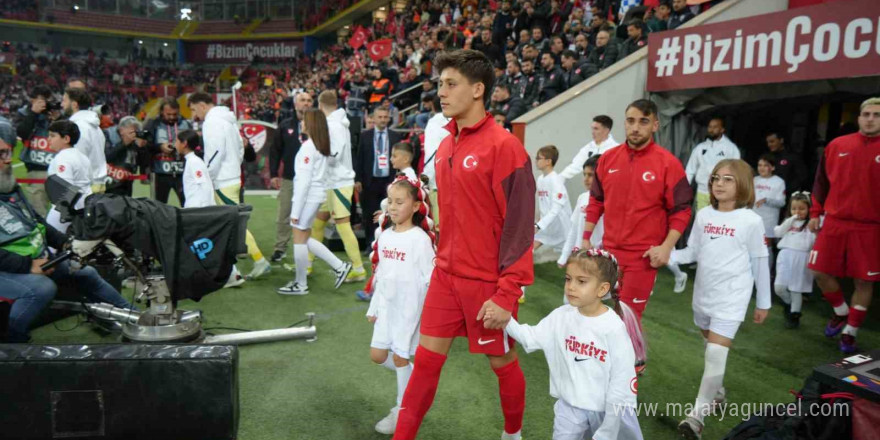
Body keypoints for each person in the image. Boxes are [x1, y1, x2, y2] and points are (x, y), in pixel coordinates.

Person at [393, 49, 535, 440]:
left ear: (478, 90)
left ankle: (513, 434)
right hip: (446, 275)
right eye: (440, 83)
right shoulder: (445, 144)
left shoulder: (505, 147)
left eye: (451, 84)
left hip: (487, 283)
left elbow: (521, 228)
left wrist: (508, 293)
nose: (442, 91)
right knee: (424, 363)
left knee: (502, 363)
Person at [581, 99, 692, 373]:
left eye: (643, 121)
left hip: (643, 257)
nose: (635, 127)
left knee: (628, 314)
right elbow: (596, 201)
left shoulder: (668, 164)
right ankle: (624, 363)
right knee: (609, 311)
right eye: (630, 121)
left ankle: (629, 371)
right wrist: (586, 238)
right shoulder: (608, 159)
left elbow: (681, 210)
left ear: (655, 124)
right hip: (610, 253)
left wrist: (666, 247)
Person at [0, 120, 133, 343]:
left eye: (9, 152)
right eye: (2, 153)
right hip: (9, 267)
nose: (7, 159)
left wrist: (65, 244)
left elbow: (38, 223)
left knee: (85, 271)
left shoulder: (11, 188)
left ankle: (132, 315)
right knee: (40, 289)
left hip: (31, 259)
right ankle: (11, 342)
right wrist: (28, 266)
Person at [670, 159, 770, 440]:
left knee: (715, 353)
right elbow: (691, 253)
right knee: (709, 347)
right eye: (716, 178)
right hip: (703, 297)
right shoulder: (704, 215)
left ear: (743, 185)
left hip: (732, 299)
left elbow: (760, 261)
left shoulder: (751, 220)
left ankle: (696, 418)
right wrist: (666, 254)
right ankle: (718, 393)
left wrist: (764, 302)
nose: (719, 183)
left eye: (728, 179)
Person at [505, 249, 643, 440]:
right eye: (568, 279)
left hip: (606, 413)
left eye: (581, 281)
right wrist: (505, 319)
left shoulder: (613, 328)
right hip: (569, 409)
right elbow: (531, 337)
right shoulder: (561, 316)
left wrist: (608, 431)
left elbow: (621, 384)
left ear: (602, 289)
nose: (571, 287)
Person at [366, 176, 437, 435]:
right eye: (390, 202)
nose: (393, 207)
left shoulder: (420, 240)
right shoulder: (384, 236)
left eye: (399, 202)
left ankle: (401, 409)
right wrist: (374, 306)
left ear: (417, 206)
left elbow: (431, 279)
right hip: (387, 308)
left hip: (409, 311)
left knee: (399, 357)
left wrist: (428, 314)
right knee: (377, 356)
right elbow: (381, 275)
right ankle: (413, 376)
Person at [809, 97, 880, 354]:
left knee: (864, 282)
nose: (871, 119)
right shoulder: (837, 145)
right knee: (818, 271)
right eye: (867, 114)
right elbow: (820, 183)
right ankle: (840, 312)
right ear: (859, 117)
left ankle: (850, 332)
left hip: (871, 227)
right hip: (835, 222)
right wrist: (815, 212)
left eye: (876, 115)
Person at [188, 92, 271, 280]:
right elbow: (241, 147)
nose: (195, 115)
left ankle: (257, 261)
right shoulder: (228, 120)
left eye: (194, 109)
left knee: (233, 225)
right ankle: (234, 268)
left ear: (201, 105)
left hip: (223, 180)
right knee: (230, 224)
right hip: (231, 176)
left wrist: (207, 176)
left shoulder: (212, 122)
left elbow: (215, 152)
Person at [277, 109, 353, 295]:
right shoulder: (318, 146)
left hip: (309, 196)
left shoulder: (309, 147)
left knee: (299, 238)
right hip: (315, 195)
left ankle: (301, 283)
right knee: (304, 237)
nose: (301, 123)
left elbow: (303, 182)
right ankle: (339, 266)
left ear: (310, 124)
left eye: (304, 120)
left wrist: (295, 212)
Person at [669, 117, 741, 292]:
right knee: (703, 227)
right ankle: (701, 262)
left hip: (722, 194)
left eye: (715, 126)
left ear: (722, 129)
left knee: (720, 228)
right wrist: (682, 192)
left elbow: (737, 171)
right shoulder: (701, 148)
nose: (712, 129)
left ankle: (718, 267)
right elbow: (690, 170)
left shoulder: (730, 148)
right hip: (702, 192)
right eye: (710, 126)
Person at [312, 91, 366, 283]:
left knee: (343, 226)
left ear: (320, 104)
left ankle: (358, 269)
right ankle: (308, 264)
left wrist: (316, 159)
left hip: (339, 183)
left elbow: (333, 153)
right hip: (332, 183)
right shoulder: (337, 123)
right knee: (318, 222)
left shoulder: (334, 125)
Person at [355, 107, 405, 251]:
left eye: (385, 117)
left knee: (390, 213)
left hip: (389, 182)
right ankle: (371, 245)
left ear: (389, 118)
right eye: (380, 117)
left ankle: (388, 245)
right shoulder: (365, 136)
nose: (383, 120)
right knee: (369, 215)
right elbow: (360, 159)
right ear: (374, 119)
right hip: (369, 181)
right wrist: (358, 179)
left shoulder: (395, 136)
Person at [269, 92, 310, 263]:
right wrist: (273, 174)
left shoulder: (319, 127)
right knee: (284, 215)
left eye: (309, 100)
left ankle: (309, 249)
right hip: (289, 179)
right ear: (295, 104)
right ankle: (280, 248)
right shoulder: (285, 125)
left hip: (311, 181)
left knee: (310, 217)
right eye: (302, 100)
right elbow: (275, 150)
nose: (306, 103)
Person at [774, 192, 815, 329]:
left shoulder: (810, 225)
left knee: (796, 289)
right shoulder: (788, 222)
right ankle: (789, 304)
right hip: (785, 255)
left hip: (801, 257)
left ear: (809, 209)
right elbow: (778, 233)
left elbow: (810, 244)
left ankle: (794, 315)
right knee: (779, 287)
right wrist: (790, 220)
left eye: (802, 208)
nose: (797, 212)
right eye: (794, 208)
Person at [16, 85, 57, 217]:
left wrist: (56, 120)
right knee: (39, 213)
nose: (45, 104)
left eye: (47, 100)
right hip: (36, 168)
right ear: (32, 100)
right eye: (41, 100)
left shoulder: (55, 114)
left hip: (57, 169)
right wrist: (33, 113)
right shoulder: (24, 113)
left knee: (60, 214)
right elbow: (22, 133)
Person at [45, 120, 92, 234]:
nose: (48, 139)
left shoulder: (63, 158)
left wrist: (64, 214)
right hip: (86, 206)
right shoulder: (82, 156)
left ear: (66, 139)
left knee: (50, 243)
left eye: (53, 136)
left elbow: (65, 189)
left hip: (67, 210)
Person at [558, 154, 604, 269]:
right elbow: (573, 230)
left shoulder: (610, 200)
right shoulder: (582, 198)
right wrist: (564, 256)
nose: (586, 179)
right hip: (579, 257)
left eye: (590, 175)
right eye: (584, 174)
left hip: (600, 260)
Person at [145, 97, 191, 205]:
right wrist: (160, 147)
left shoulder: (185, 124)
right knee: (159, 207)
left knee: (188, 204)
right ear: (161, 112)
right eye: (168, 114)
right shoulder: (153, 124)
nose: (171, 117)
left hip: (182, 173)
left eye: (174, 114)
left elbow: (194, 146)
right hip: (160, 173)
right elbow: (146, 146)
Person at [62, 88, 108, 194]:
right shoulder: (95, 126)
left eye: (64, 100)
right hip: (97, 183)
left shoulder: (78, 126)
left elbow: (78, 159)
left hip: (84, 187)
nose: (61, 104)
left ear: (74, 104)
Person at [534, 145, 572, 252]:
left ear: (548, 161)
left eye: (538, 158)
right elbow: (540, 204)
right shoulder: (540, 179)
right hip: (547, 225)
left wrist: (538, 226)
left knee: (571, 258)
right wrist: (537, 222)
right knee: (528, 248)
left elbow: (556, 209)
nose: (536, 161)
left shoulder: (556, 180)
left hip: (560, 226)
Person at [559, 115, 617, 180]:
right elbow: (575, 166)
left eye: (596, 129)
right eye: (592, 128)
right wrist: (558, 179)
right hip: (593, 188)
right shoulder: (588, 148)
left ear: (606, 130)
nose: (592, 132)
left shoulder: (616, 149)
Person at [752, 154, 786, 264]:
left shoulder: (779, 182)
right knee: (752, 245)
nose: (761, 168)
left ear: (772, 167)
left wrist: (767, 200)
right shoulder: (754, 180)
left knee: (766, 246)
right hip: (753, 218)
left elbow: (782, 202)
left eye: (765, 165)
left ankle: (767, 274)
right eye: (759, 165)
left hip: (769, 220)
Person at [104, 116, 149, 197]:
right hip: (110, 184)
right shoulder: (109, 136)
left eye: (136, 131)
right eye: (131, 131)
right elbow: (107, 157)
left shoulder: (134, 143)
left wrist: (141, 148)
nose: (134, 134)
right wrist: (123, 144)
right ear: (121, 131)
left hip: (127, 184)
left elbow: (142, 163)